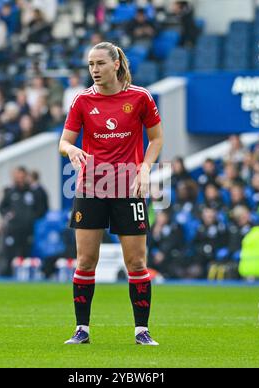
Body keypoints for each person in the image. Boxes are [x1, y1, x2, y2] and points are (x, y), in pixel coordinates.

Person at [59, 41, 163, 345]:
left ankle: (141, 331)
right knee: (85, 261)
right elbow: (63, 142)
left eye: (100, 63)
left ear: (116, 64)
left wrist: (145, 168)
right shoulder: (81, 101)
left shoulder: (140, 97)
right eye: (91, 64)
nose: (94, 70)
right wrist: (71, 149)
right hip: (91, 187)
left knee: (137, 263)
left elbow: (156, 138)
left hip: (128, 187)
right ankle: (82, 330)